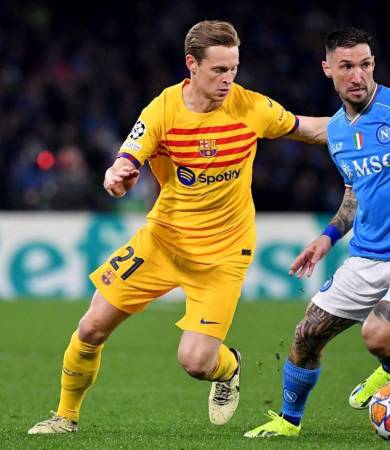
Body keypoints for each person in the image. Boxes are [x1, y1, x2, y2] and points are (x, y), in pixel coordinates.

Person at [28, 20, 328, 434]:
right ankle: (66, 417)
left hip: (223, 254)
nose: (228, 80)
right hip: (163, 240)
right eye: (218, 70)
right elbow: (128, 157)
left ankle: (229, 366)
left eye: (234, 69)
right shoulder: (163, 110)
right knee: (91, 326)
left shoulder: (251, 107)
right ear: (191, 64)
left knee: (195, 363)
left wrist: (371, 128)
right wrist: (119, 175)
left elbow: (309, 128)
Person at [244, 27, 390, 439]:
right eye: (347, 66)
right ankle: (288, 421)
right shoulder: (337, 132)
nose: (358, 75)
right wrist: (327, 237)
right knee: (306, 334)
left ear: (373, 65)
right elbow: (355, 194)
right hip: (368, 256)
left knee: (377, 334)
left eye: (365, 65)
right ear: (328, 69)